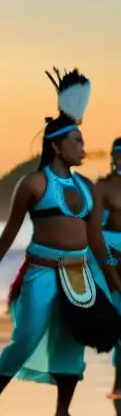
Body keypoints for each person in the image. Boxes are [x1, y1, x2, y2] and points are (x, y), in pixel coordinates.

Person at [0, 68, 121, 416]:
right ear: (56, 145)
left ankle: (62, 414)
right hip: (42, 271)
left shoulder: (87, 187)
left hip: (79, 272)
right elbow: (11, 227)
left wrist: (113, 280)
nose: (84, 148)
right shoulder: (34, 183)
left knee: (72, 342)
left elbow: (95, 239)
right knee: (26, 336)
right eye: (77, 141)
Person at [91, 136, 121, 398]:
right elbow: (95, 230)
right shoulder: (103, 187)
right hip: (111, 253)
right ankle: (118, 382)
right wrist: (109, 263)